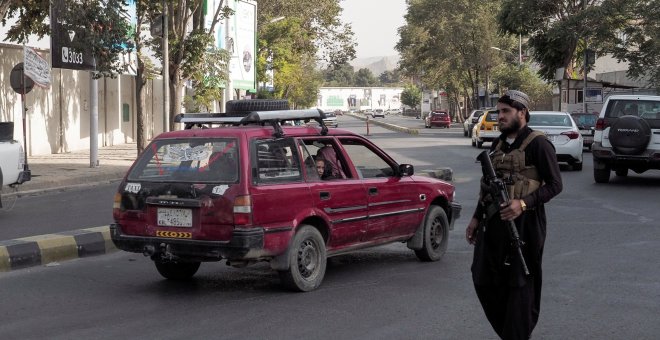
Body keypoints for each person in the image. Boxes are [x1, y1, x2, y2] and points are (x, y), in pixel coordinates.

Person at [466, 90, 563, 340]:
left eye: (506, 111)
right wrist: (476, 217)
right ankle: (512, 334)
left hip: (526, 228)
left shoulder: (538, 144)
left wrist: (523, 203)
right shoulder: (498, 144)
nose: (500, 116)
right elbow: (487, 186)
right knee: (484, 280)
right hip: (494, 226)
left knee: (520, 288)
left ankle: (517, 334)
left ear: (522, 113)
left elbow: (555, 185)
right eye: (499, 112)